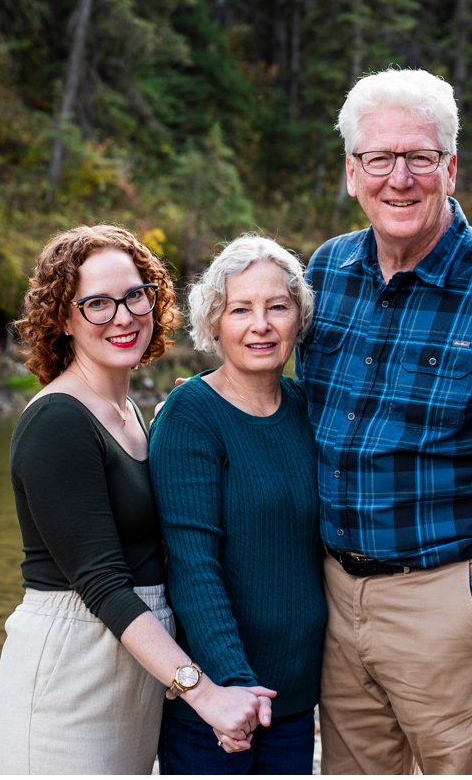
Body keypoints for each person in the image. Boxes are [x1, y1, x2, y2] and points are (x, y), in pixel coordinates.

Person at [298, 68, 472, 774]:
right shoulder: (325, 272)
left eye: (419, 157)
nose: (400, 178)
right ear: (352, 172)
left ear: (451, 167)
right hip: (335, 596)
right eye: (379, 159)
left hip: (449, 599)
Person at [0, 225, 272, 774]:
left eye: (134, 295)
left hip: (135, 675)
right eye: (96, 303)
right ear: (62, 319)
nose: (122, 317)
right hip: (70, 677)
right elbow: (101, 583)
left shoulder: (130, 413)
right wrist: (202, 691)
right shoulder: (57, 422)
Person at [150, 236, 326, 773]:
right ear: (213, 323)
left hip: (295, 701)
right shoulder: (189, 417)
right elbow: (191, 565)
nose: (262, 325)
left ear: (299, 317)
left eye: (278, 306)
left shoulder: (306, 406)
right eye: (240, 309)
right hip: (218, 708)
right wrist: (234, 684)